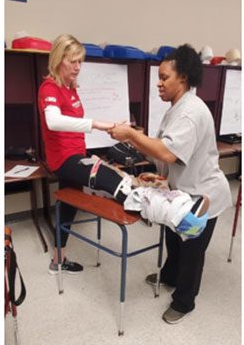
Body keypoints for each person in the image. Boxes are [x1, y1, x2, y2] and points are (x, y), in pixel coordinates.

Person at [38, 35, 210, 278]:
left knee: (67, 207)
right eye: (72, 61)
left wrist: (118, 130)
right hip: (62, 159)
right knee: (108, 177)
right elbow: (53, 121)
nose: (77, 67)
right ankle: (175, 213)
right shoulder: (49, 87)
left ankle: (58, 260)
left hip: (75, 154)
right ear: (58, 59)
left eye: (80, 62)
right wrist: (99, 124)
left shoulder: (70, 89)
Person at [109, 44, 232, 324]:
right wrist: (159, 173)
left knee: (191, 250)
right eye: (159, 77)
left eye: (164, 77)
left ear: (183, 78)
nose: (159, 83)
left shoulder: (189, 112)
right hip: (184, 189)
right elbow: (166, 150)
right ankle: (169, 277)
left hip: (204, 196)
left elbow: (167, 152)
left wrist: (129, 134)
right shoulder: (178, 107)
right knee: (175, 240)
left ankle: (184, 302)